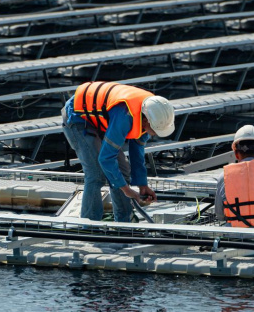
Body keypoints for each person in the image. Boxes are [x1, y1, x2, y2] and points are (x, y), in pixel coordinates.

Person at [62, 82, 175, 222]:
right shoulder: (126, 116)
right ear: (146, 120)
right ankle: (89, 223)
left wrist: (142, 184)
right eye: (155, 131)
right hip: (78, 117)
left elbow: (137, 153)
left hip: (101, 118)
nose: (154, 135)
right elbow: (105, 158)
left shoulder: (151, 113)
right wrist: (127, 190)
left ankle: (124, 222)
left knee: (121, 171)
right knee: (96, 174)